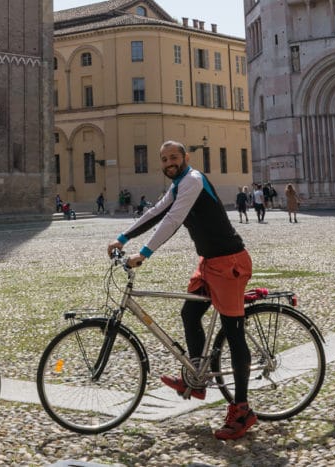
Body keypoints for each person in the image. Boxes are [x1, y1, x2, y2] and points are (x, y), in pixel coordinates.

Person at [107, 141, 255, 440]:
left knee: (233, 333)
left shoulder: (193, 180)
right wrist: (122, 237)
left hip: (229, 262)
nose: (169, 162)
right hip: (209, 263)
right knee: (190, 314)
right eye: (164, 159)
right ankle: (196, 380)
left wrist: (144, 254)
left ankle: (242, 410)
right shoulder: (178, 185)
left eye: (174, 157)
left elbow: (173, 219)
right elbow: (156, 212)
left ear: (185, 157)